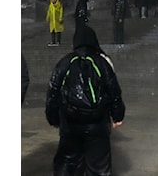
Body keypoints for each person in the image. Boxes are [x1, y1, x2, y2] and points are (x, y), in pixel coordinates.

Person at [45, 25, 126, 175]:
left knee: (67, 161)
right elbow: (114, 91)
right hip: (98, 125)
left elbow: (53, 93)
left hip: (70, 124)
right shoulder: (101, 63)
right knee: (98, 166)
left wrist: (53, 118)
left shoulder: (65, 62)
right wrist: (118, 115)